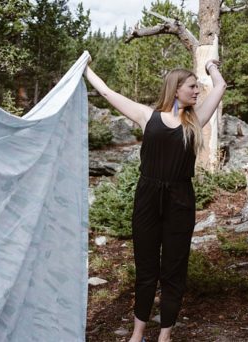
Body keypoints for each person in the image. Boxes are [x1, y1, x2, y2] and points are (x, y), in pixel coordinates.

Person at [84, 60, 226, 342]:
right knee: (146, 268)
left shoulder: (195, 120)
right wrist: (86, 68)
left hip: (180, 201)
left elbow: (220, 86)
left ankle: (165, 335)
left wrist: (211, 66)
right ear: (176, 90)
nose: (197, 91)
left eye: (197, 87)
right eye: (192, 87)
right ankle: (137, 334)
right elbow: (107, 93)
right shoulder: (146, 116)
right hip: (147, 198)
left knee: (174, 269)